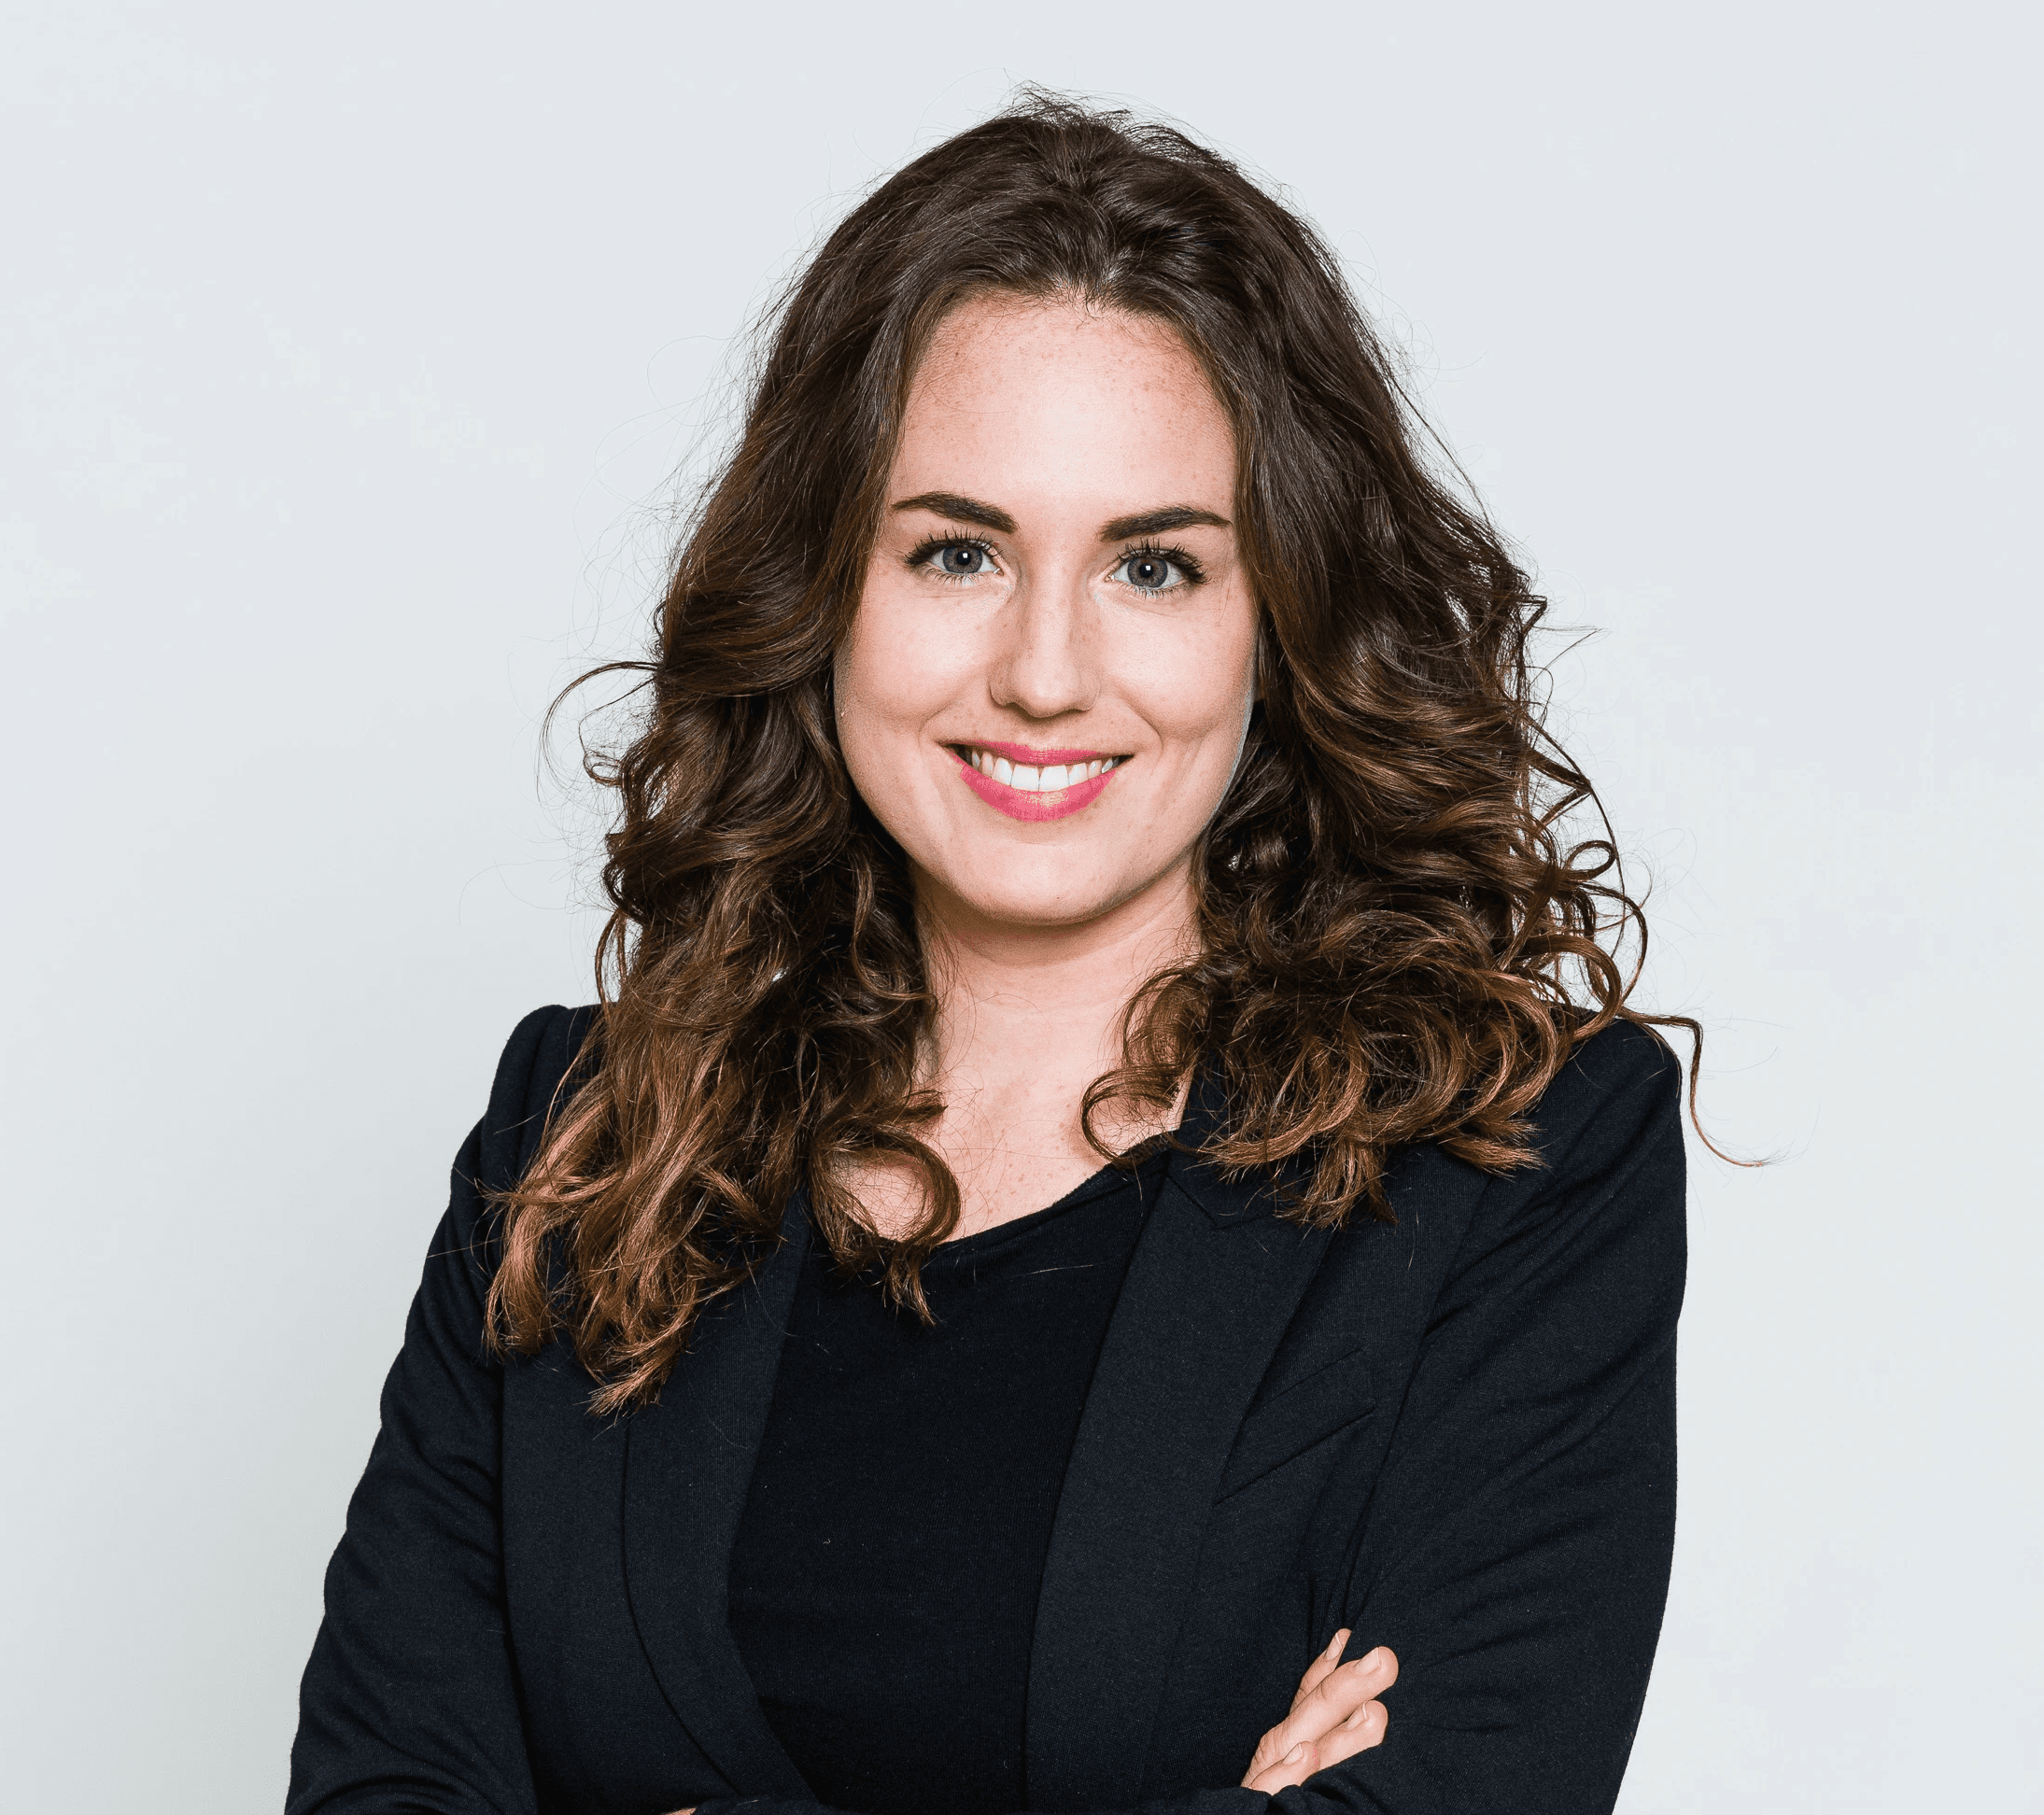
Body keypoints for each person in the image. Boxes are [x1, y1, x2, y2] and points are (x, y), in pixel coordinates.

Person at [288, 94, 1691, 1815]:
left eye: (1156, 567)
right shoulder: (577, 1140)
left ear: (1284, 617)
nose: (1044, 670)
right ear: (824, 589)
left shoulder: (1517, 1160)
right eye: (956, 550)